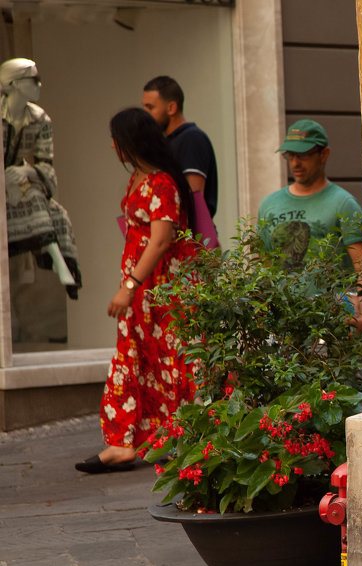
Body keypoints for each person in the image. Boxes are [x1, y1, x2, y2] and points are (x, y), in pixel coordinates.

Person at [75, 108, 198, 474]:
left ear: (131, 142)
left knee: (162, 361)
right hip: (145, 289)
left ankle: (136, 442)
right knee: (141, 361)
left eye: (116, 139)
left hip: (159, 289)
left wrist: (129, 287)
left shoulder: (162, 183)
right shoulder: (140, 180)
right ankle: (129, 441)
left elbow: (160, 241)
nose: (113, 145)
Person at [257, 119, 362, 330]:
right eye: (291, 155)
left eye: (304, 155)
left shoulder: (344, 204)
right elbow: (264, 267)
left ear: (323, 155)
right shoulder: (269, 205)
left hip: (332, 319)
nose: (296, 163)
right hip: (283, 322)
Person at [2, 57, 82, 344]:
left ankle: (60, 259)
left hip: (22, 185)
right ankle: (56, 259)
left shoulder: (40, 119)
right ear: (12, 84)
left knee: (53, 210)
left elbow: (46, 164)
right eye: (31, 80)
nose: (38, 85)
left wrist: (27, 171)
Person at [141, 76, 218, 221]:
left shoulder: (191, 139)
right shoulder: (165, 142)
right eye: (144, 107)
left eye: (150, 107)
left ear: (171, 108)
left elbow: (194, 198)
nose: (145, 114)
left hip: (189, 237)